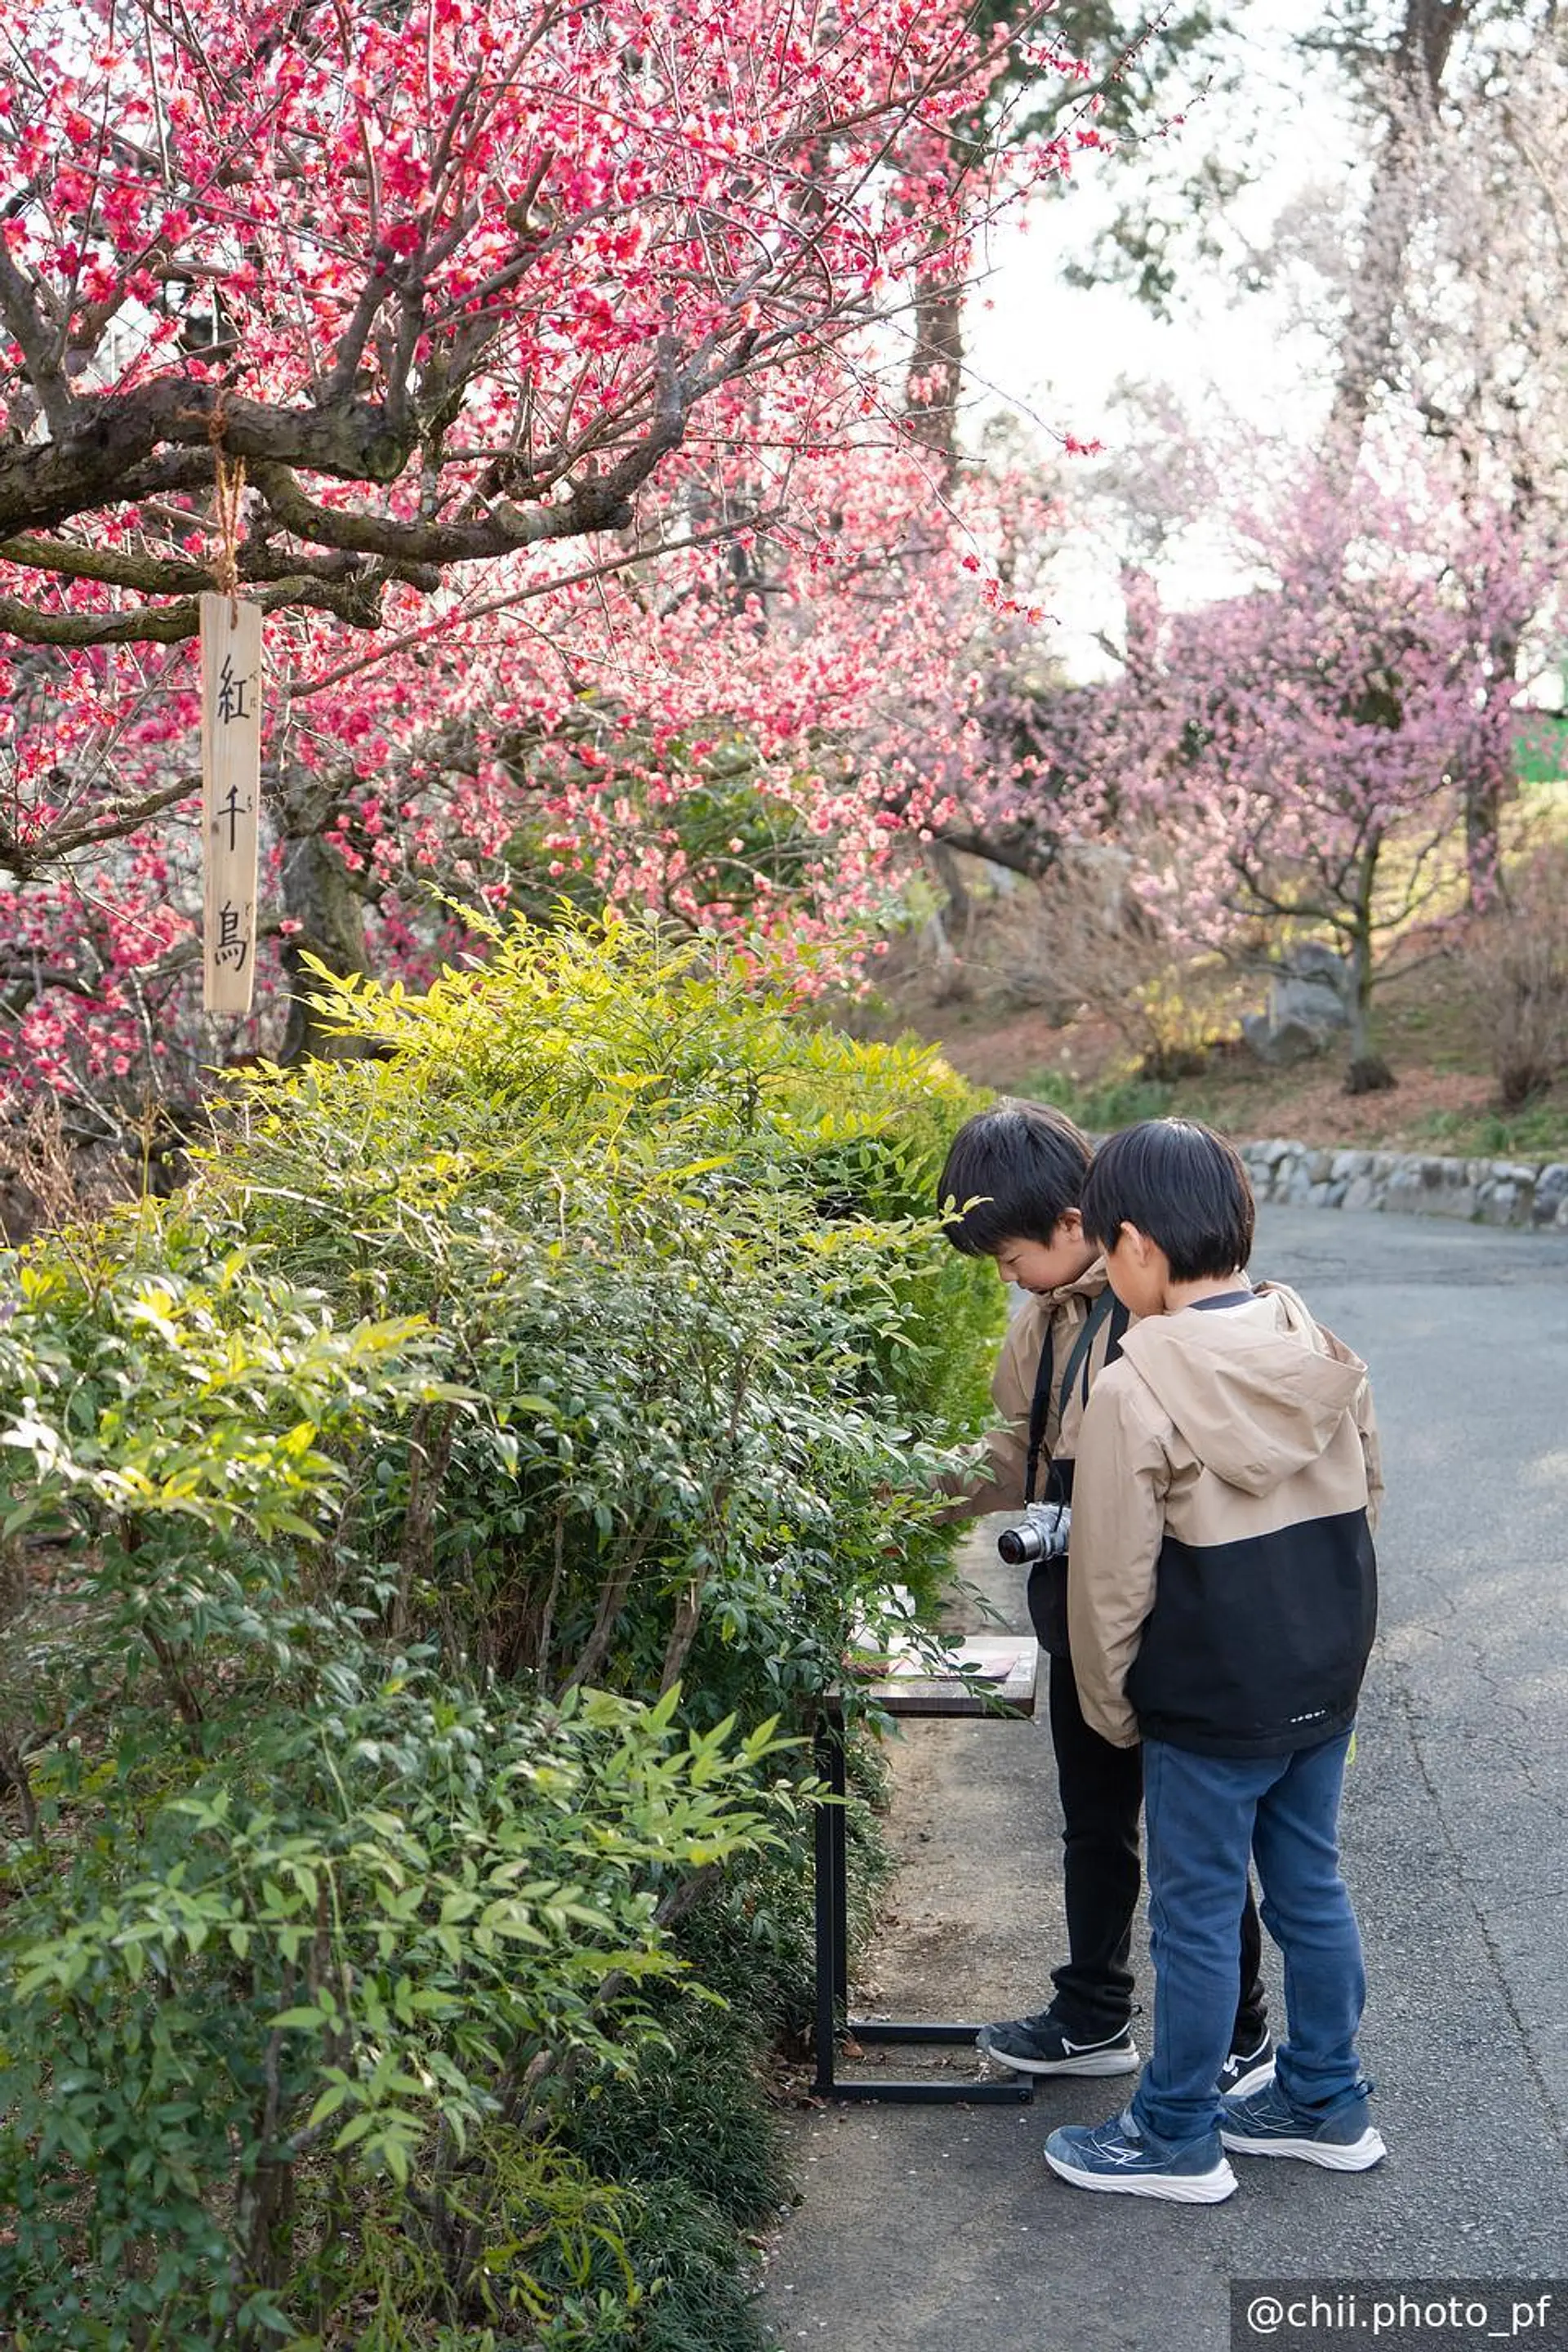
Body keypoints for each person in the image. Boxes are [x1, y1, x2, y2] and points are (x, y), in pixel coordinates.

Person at [1044, 1117, 1384, 2205]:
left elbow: (1109, 1580)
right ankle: (1329, 2100)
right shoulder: (1312, 1342)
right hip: (1320, 1678)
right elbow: (1368, 1490)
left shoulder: (1134, 1388)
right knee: (1310, 1888)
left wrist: (1109, 1707)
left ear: (1135, 1247)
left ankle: (1178, 2133)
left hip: (1206, 1698)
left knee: (1194, 1915)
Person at [938, 1102, 1271, 2092]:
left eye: (1008, 1257)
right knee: (1094, 1821)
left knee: (1195, 1837)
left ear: (1077, 1227)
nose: (1005, 1279)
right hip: (1075, 1608)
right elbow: (1020, 1451)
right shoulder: (1047, 1318)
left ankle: (1243, 2037)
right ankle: (1092, 2013)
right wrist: (911, 1490)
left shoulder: (1163, 1305)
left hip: (1167, 1615)